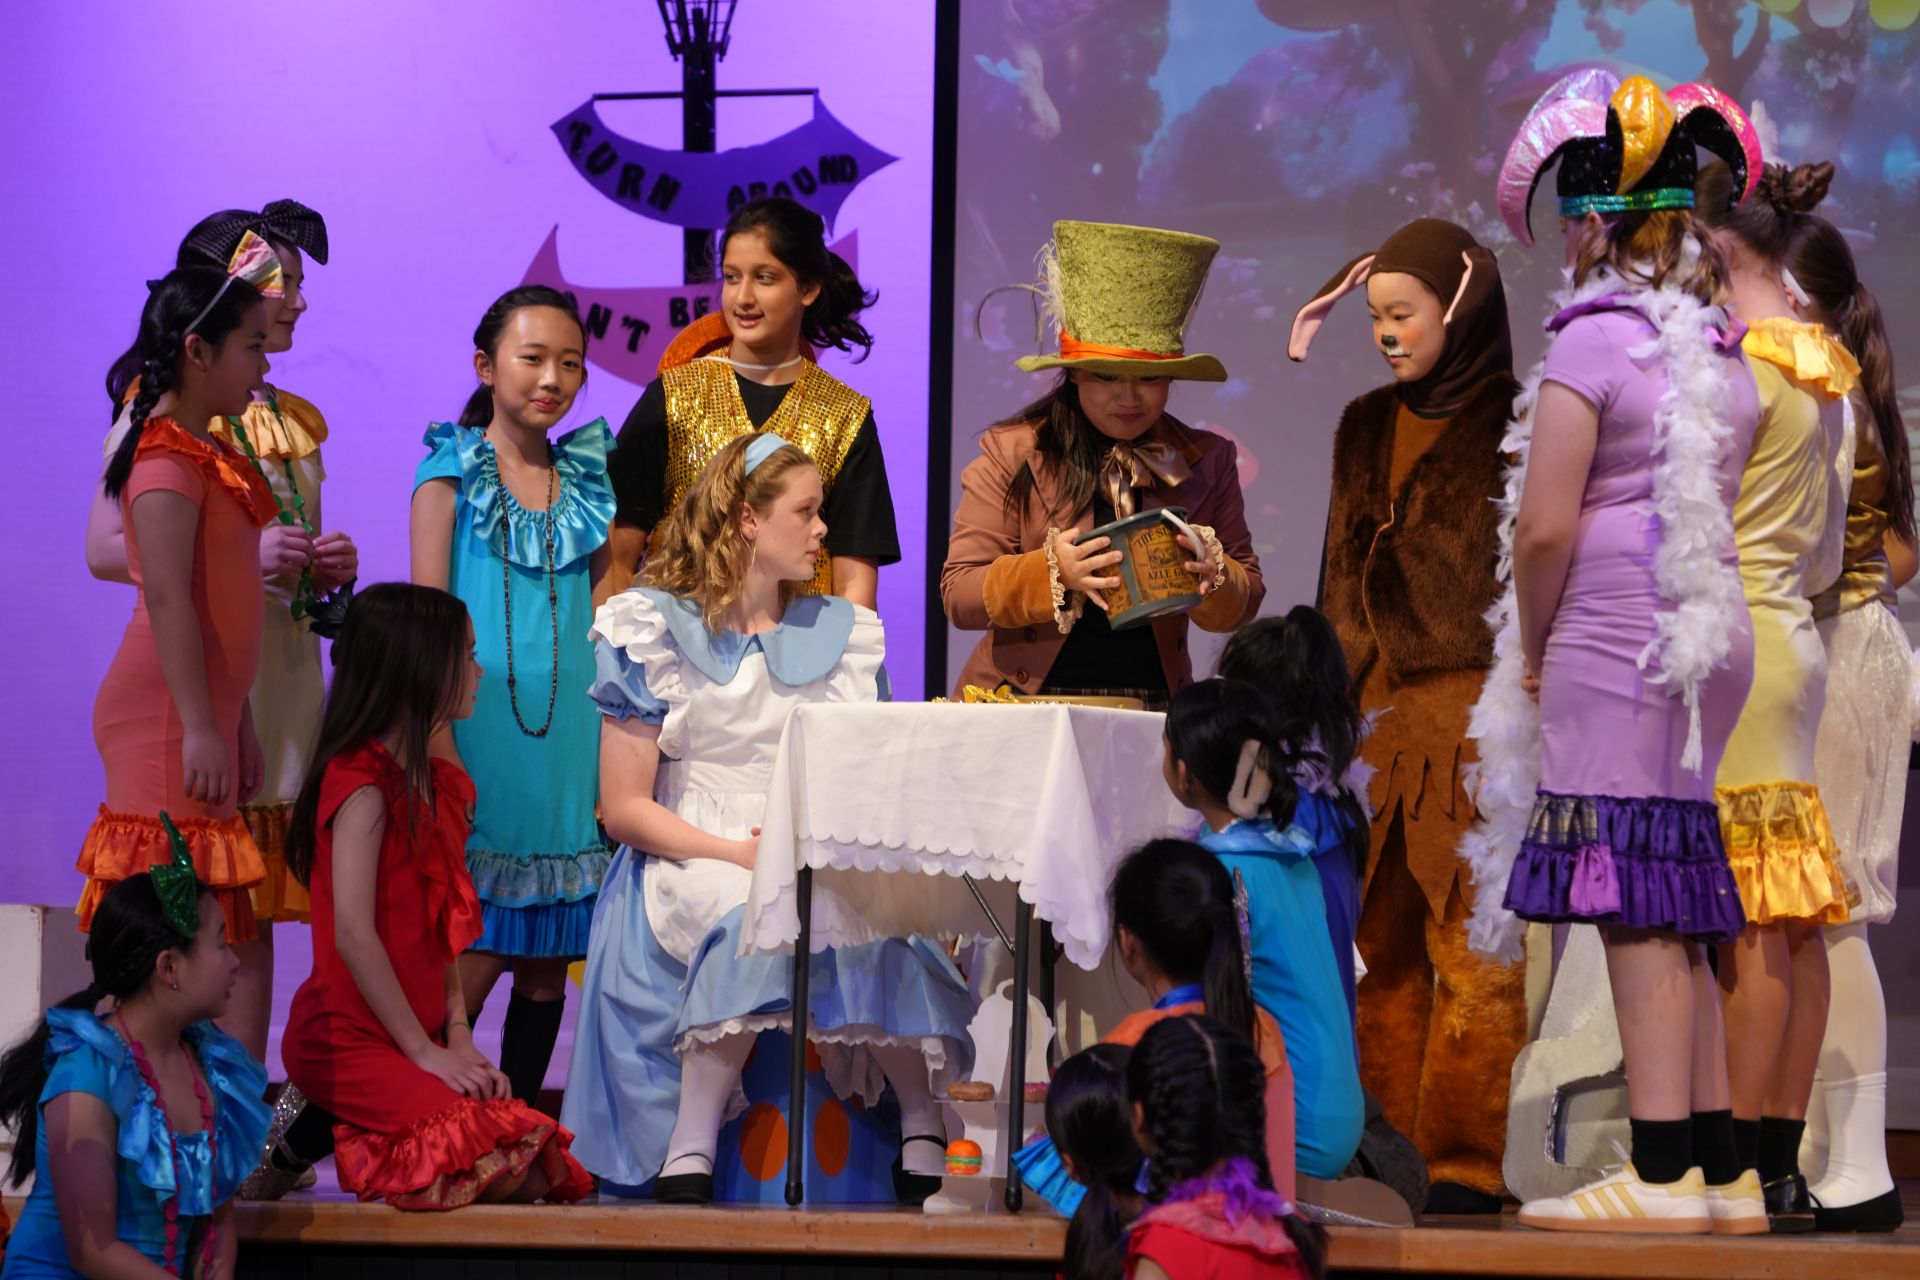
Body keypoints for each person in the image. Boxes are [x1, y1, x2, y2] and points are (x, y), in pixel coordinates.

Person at [1471, 72, 1766, 1234]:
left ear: (1592, 225)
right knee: (1677, 894)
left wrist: (1534, 646)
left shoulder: (1593, 338)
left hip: (1611, 634)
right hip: (1703, 631)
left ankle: (1657, 1169)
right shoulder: (1716, 344)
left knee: (1634, 900)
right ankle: (1719, 1170)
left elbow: (1544, 524)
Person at [562, 433, 973, 1204]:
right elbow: (623, 808)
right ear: (748, 519)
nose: (823, 530)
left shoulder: (841, 634)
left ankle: (921, 1122)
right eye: (807, 512)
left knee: (879, 922)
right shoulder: (650, 627)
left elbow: (863, 775)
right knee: (749, 915)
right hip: (694, 845)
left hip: (811, 838)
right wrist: (738, 853)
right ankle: (691, 1138)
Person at [1285, 218, 1526, 1207]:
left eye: (1404, 314)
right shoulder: (1361, 424)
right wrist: (1321, 696)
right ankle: (1380, 1151)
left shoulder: (1519, 421)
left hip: (1468, 714)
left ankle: (1463, 1161)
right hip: (1370, 722)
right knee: (1376, 947)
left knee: (1471, 944)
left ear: (1459, 311)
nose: (1386, 333)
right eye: (1375, 317)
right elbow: (1337, 563)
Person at [280, 583, 593, 1209]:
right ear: (420, 667)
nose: (480, 671)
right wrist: (424, 1051)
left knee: (537, 1162)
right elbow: (354, 935)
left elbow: (442, 927)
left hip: (416, 1035)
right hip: (350, 1038)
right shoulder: (361, 784)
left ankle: (329, 1129)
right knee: (505, 1169)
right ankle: (307, 1137)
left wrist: (457, 1034)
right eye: (468, 655)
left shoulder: (435, 785)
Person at [1696, 158, 1860, 1231]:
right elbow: (1827, 557)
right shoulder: (1823, 376)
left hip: (1738, 647)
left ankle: (1738, 1166)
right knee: (1792, 919)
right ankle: (1780, 1166)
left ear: (1729, 256)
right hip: (1791, 639)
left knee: (1755, 921)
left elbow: (1692, 526)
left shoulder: (1740, 373)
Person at [410, 284, 615, 1105]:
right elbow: (423, 626)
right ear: (486, 365)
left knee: (544, 966)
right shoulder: (449, 470)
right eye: (532, 358)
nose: (552, 379)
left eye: (570, 363)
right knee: (470, 955)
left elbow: (609, 626)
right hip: (475, 739)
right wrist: (436, 743)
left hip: (570, 745)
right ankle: (316, 1135)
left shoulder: (590, 480)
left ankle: (515, 1135)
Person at [943, 220, 1262, 707]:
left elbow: (1245, 601)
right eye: (1108, 376)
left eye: (1149, 379)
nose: (1129, 397)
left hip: (1152, 710)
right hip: (1025, 708)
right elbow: (959, 594)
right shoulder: (1013, 450)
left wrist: (1211, 576)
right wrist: (1051, 572)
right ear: (1074, 374)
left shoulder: (1207, 459)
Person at [79, 259, 279, 956]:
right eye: (253, 345)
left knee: (197, 937)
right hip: (164, 718)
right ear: (198, 351)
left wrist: (236, 721)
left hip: (198, 713)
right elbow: (167, 597)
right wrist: (199, 725)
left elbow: (221, 607)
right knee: (166, 938)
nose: (265, 365)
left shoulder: (206, 453)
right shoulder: (164, 460)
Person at [607, 196, 899, 608]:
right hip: (678, 645)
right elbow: (617, 561)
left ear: (808, 288)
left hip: (804, 646)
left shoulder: (845, 416)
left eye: (764, 278)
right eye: (732, 277)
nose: (743, 297)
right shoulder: (671, 398)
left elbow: (855, 590)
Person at [0, 869, 270, 1278]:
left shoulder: (210, 1063)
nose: (234, 962)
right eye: (220, 944)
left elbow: (217, 1219)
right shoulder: (87, 1075)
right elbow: (94, 1252)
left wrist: (217, 1257)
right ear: (169, 968)